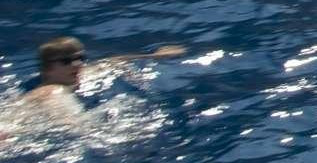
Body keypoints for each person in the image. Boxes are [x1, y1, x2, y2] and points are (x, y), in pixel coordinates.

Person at [13, 36, 187, 119]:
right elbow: (73, 127)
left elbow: (111, 62)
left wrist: (154, 56)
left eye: (80, 58)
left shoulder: (75, 76)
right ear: (47, 70)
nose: (76, 65)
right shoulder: (52, 90)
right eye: (66, 61)